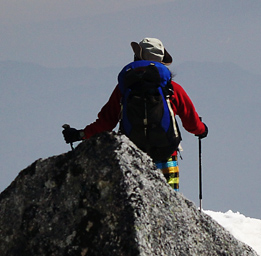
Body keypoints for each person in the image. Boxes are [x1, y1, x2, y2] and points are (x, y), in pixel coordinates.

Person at [62, 38, 208, 190]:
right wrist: (202, 130)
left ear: (137, 57)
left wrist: (80, 135)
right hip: (166, 152)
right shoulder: (172, 89)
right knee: (169, 201)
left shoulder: (123, 89)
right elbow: (191, 121)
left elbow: (106, 123)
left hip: (131, 153)